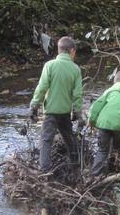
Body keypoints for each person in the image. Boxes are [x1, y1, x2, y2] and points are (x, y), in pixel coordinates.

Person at [29, 36, 84, 173]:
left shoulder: (50, 66)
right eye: (74, 52)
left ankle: (44, 171)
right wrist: (77, 113)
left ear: (59, 50)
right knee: (69, 138)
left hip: (51, 112)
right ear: (72, 50)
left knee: (46, 140)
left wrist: (34, 107)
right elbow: (77, 94)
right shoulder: (75, 69)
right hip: (65, 112)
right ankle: (75, 166)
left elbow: (41, 88)